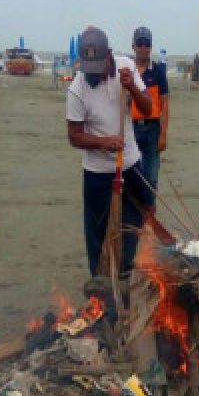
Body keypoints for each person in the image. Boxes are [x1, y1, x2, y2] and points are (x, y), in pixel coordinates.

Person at [67, 26, 154, 275]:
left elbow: (148, 109)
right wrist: (103, 142)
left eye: (98, 68)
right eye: (89, 69)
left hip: (130, 165)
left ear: (110, 55)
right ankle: (100, 286)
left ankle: (125, 272)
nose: (93, 75)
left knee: (134, 223)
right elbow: (73, 136)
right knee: (97, 233)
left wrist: (134, 89)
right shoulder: (77, 89)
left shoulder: (126, 67)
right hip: (97, 174)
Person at [129, 26, 169, 192]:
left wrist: (163, 134)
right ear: (133, 46)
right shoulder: (127, 70)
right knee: (131, 174)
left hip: (153, 129)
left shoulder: (159, 71)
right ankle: (133, 214)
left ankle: (149, 214)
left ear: (151, 47)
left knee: (151, 176)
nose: (143, 47)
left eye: (147, 43)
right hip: (130, 128)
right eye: (140, 43)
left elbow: (165, 104)